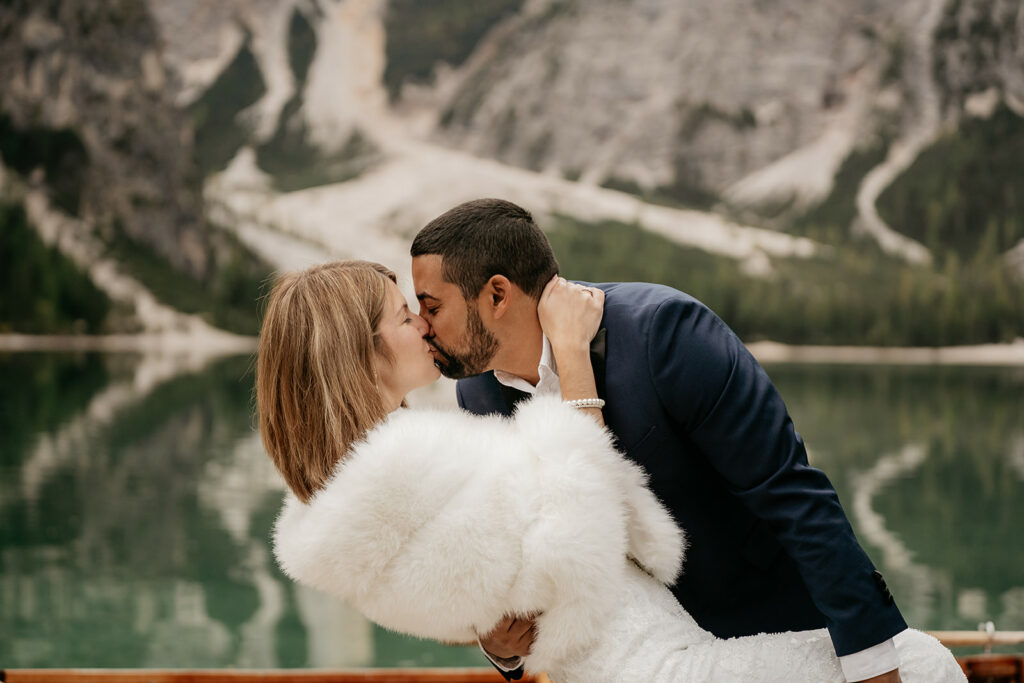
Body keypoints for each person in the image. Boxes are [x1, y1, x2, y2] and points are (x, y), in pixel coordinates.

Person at [258, 259, 963, 682]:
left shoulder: (361, 500)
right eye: (402, 315)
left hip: (666, 640)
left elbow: (489, 594)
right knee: (926, 664)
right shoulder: (417, 459)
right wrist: (573, 360)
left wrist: (493, 638)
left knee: (908, 657)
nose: (424, 324)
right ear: (359, 352)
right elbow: (584, 530)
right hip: (655, 667)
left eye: (422, 306)